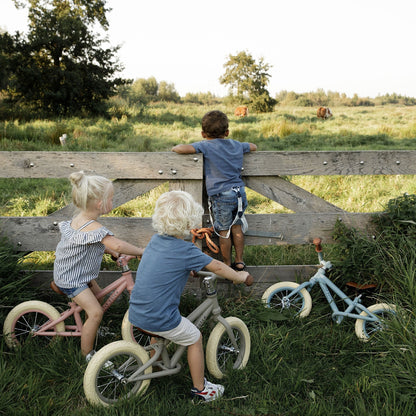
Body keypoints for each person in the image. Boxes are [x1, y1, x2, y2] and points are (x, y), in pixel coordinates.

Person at [128, 190, 252, 402]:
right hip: (161, 318)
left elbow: (167, 264)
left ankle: (156, 362)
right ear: (190, 221)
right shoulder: (186, 250)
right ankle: (200, 390)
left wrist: (188, 268)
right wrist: (240, 276)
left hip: (137, 313)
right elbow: (218, 267)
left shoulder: (155, 241)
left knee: (156, 330)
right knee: (194, 338)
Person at [53, 171, 144, 362]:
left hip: (76, 273)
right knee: (96, 312)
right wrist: (141, 251)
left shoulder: (81, 221)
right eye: (111, 198)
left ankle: (92, 327)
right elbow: (117, 244)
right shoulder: (94, 228)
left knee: (99, 297)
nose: (113, 202)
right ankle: (87, 355)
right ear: (100, 204)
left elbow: (93, 244)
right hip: (72, 279)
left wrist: (114, 253)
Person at [172, 110, 257, 271]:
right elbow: (253, 146)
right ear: (227, 132)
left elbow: (183, 149)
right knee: (237, 228)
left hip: (222, 195)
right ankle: (239, 260)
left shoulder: (205, 145)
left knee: (224, 232)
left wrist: (175, 147)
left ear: (203, 134)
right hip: (239, 193)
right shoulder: (236, 144)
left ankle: (226, 264)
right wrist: (241, 146)